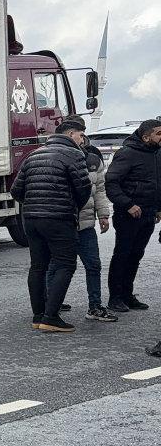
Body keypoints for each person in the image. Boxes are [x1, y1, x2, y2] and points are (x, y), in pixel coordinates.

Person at [10, 117, 92, 333]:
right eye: (81, 134)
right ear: (70, 134)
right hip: (59, 218)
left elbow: (16, 191)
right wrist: (71, 206)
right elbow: (83, 189)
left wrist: (34, 205)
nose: (82, 139)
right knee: (66, 264)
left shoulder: (34, 154)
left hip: (32, 219)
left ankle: (38, 315)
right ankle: (51, 316)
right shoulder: (74, 155)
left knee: (38, 266)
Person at [105, 118, 161, 313]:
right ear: (146, 137)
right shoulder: (127, 154)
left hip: (148, 212)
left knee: (136, 255)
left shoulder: (156, 154)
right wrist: (128, 204)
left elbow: (157, 183)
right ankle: (115, 297)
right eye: (159, 133)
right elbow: (111, 183)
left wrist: (158, 207)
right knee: (123, 255)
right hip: (128, 214)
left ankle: (128, 295)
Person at [75, 138, 117, 322]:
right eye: (78, 133)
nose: (82, 138)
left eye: (83, 133)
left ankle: (95, 306)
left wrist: (103, 215)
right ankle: (51, 306)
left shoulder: (92, 160)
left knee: (93, 265)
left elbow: (100, 190)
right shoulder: (56, 158)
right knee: (57, 267)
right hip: (61, 224)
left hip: (85, 223)